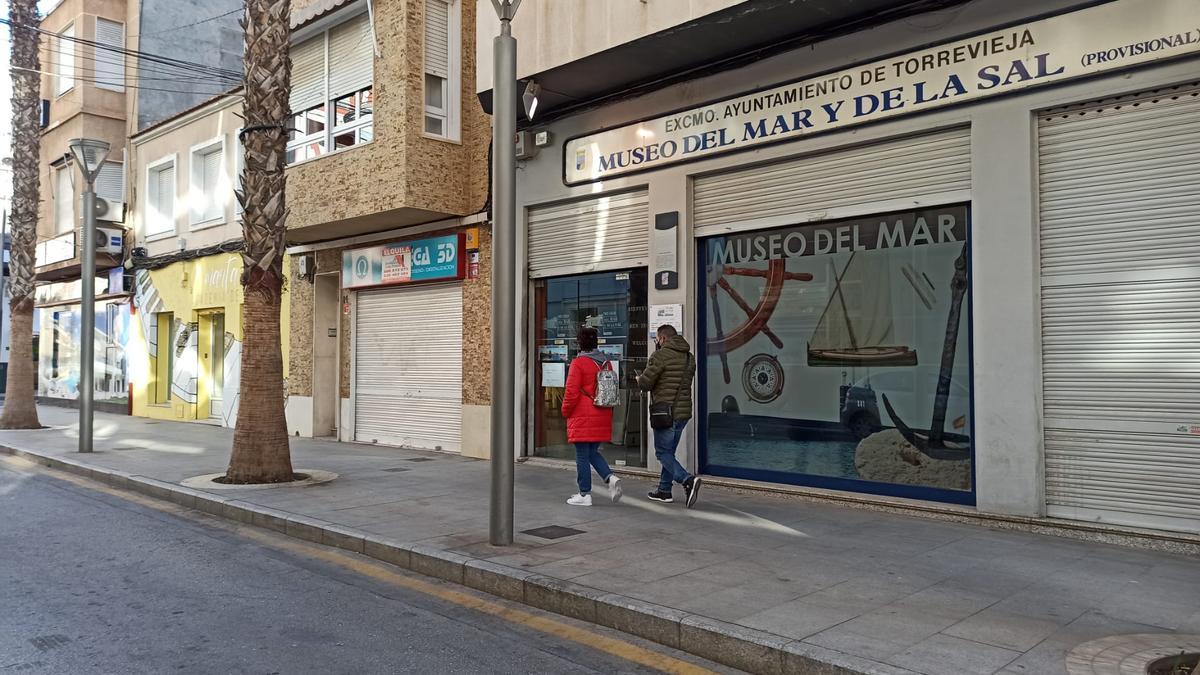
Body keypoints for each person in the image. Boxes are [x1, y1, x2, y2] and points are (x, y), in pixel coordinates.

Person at [637, 324, 701, 507]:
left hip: (665, 413)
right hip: (682, 412)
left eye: (657, 339)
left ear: (663, 338)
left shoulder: (660, 356)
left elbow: (646, 384)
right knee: (669, 453)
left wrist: (639, 379)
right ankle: (664, 491)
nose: (656, 342)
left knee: (662, 452)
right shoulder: (690, 358)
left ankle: (687, 480)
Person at [560, 326, 623, 506]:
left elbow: (571, 392)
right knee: (591, 452)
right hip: (602, 413)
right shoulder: (606, 362)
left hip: (582, 414)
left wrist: (565, 411)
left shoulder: (578, 363)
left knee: (581, 455)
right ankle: (610, 478)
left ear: (579, 343)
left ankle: (584, 494)